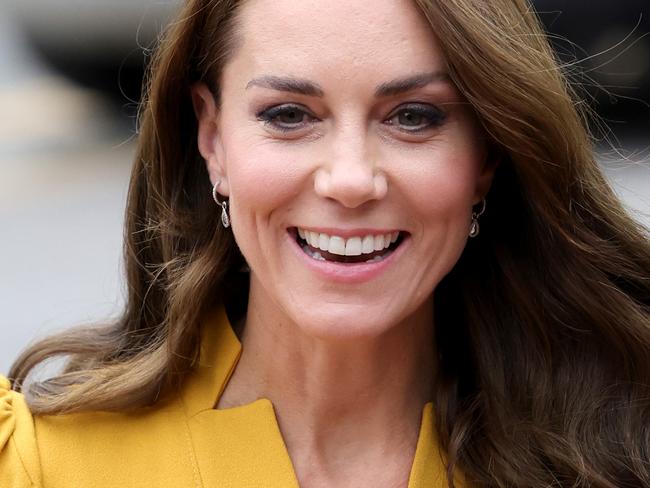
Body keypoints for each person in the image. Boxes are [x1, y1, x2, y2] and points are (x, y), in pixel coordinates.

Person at [2, 0, 649, 486]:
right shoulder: (43, 464)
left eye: (414, 117)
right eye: (288, 116)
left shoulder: (615, 453)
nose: (349, 180)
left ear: (486, 155)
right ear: (212, 138)